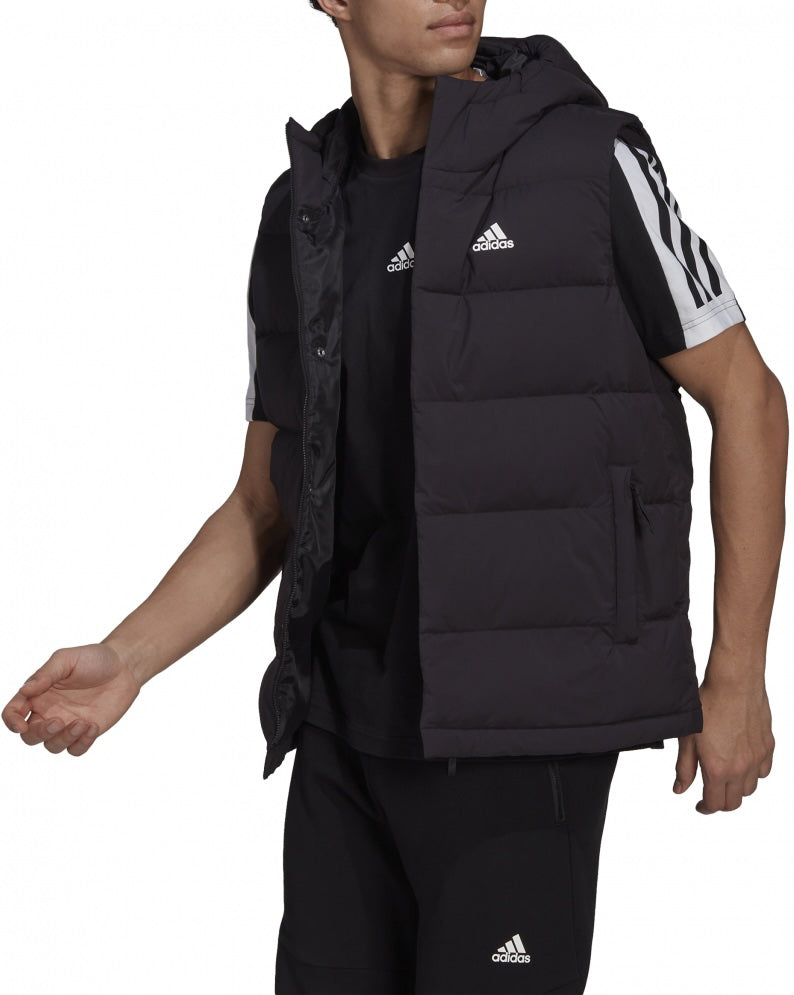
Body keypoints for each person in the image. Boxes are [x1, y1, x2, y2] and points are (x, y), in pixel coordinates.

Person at [2, 2, 786, 993]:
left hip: (523, 728)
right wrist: (128, 656)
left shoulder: (590, 162)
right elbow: (267, 502)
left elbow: (747, 396)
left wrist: (736, 674)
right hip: (346, 724)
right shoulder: (303, 211)